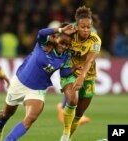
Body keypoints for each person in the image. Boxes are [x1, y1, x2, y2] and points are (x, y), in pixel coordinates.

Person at [0, 23, 76, 141]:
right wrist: (61, 29)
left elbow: (64, 74)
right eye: (62, 42)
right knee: (5, 114)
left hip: (37, 90)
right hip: (19, 83)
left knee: (30, 119)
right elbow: (41, 32)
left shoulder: (66, 55)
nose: (64, 47)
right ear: (55, 37)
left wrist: (75, 68)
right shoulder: (44, 43)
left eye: (67, 45)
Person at [59, 6, 101, 141]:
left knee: (79, 114)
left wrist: (82, 77)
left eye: (89, 27)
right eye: (83, 27)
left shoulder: (95, 40)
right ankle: (65, 135)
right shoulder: (70, 33)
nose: (86, 30)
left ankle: (68, 138)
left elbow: (89, 61)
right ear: (77, 26)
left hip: (88, 76)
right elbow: (56, 40)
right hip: (70, 71)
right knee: (72, 99)